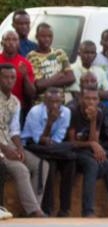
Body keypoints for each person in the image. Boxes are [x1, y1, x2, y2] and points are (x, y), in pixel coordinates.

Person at [67, 87, 108, 217]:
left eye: (94, 99)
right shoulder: (73, 112)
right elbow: (71, 142)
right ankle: (88, 210)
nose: (91, 102)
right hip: (73, 151)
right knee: (92, 165)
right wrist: (92, 144)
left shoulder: (99, 113)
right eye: (87, 98)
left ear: (99, 101)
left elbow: (94, 140)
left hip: (87, 150)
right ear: (81, 99)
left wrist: (93, 120)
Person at [0, 63, 47, 217]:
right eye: (5, 77)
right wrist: (6, 149)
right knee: (21, 169)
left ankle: (35, 206)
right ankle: (34, 211)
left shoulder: (15, 101)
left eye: (12, 77)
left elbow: (14, 130)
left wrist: (19, 148)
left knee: (42, 164)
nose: (9, 80)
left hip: (10, 143)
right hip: (1, 148)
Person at [21, 87, 75, 217]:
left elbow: (57, 138)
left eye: (58, 101)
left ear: (62, 100)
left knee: (71, 161)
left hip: (53, 148)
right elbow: (39, 140)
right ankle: (47, 208)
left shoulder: (66, 112)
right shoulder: (35, 112)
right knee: (50, 163)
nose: (55, 105)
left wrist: (50, 143)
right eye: (51, 102)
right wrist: (50, 122)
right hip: (32, 145)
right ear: (45, 101)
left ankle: (64, 209)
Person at [27, 23, 75, 98]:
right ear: (36, 37)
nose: (47, 39)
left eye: (50, 36)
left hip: (61, 100)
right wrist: (58, 75)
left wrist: (47, 82)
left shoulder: (59, 53)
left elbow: (71, 78)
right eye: (43, 36)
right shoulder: (32, 57)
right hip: (42, 102)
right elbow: (39, 85)